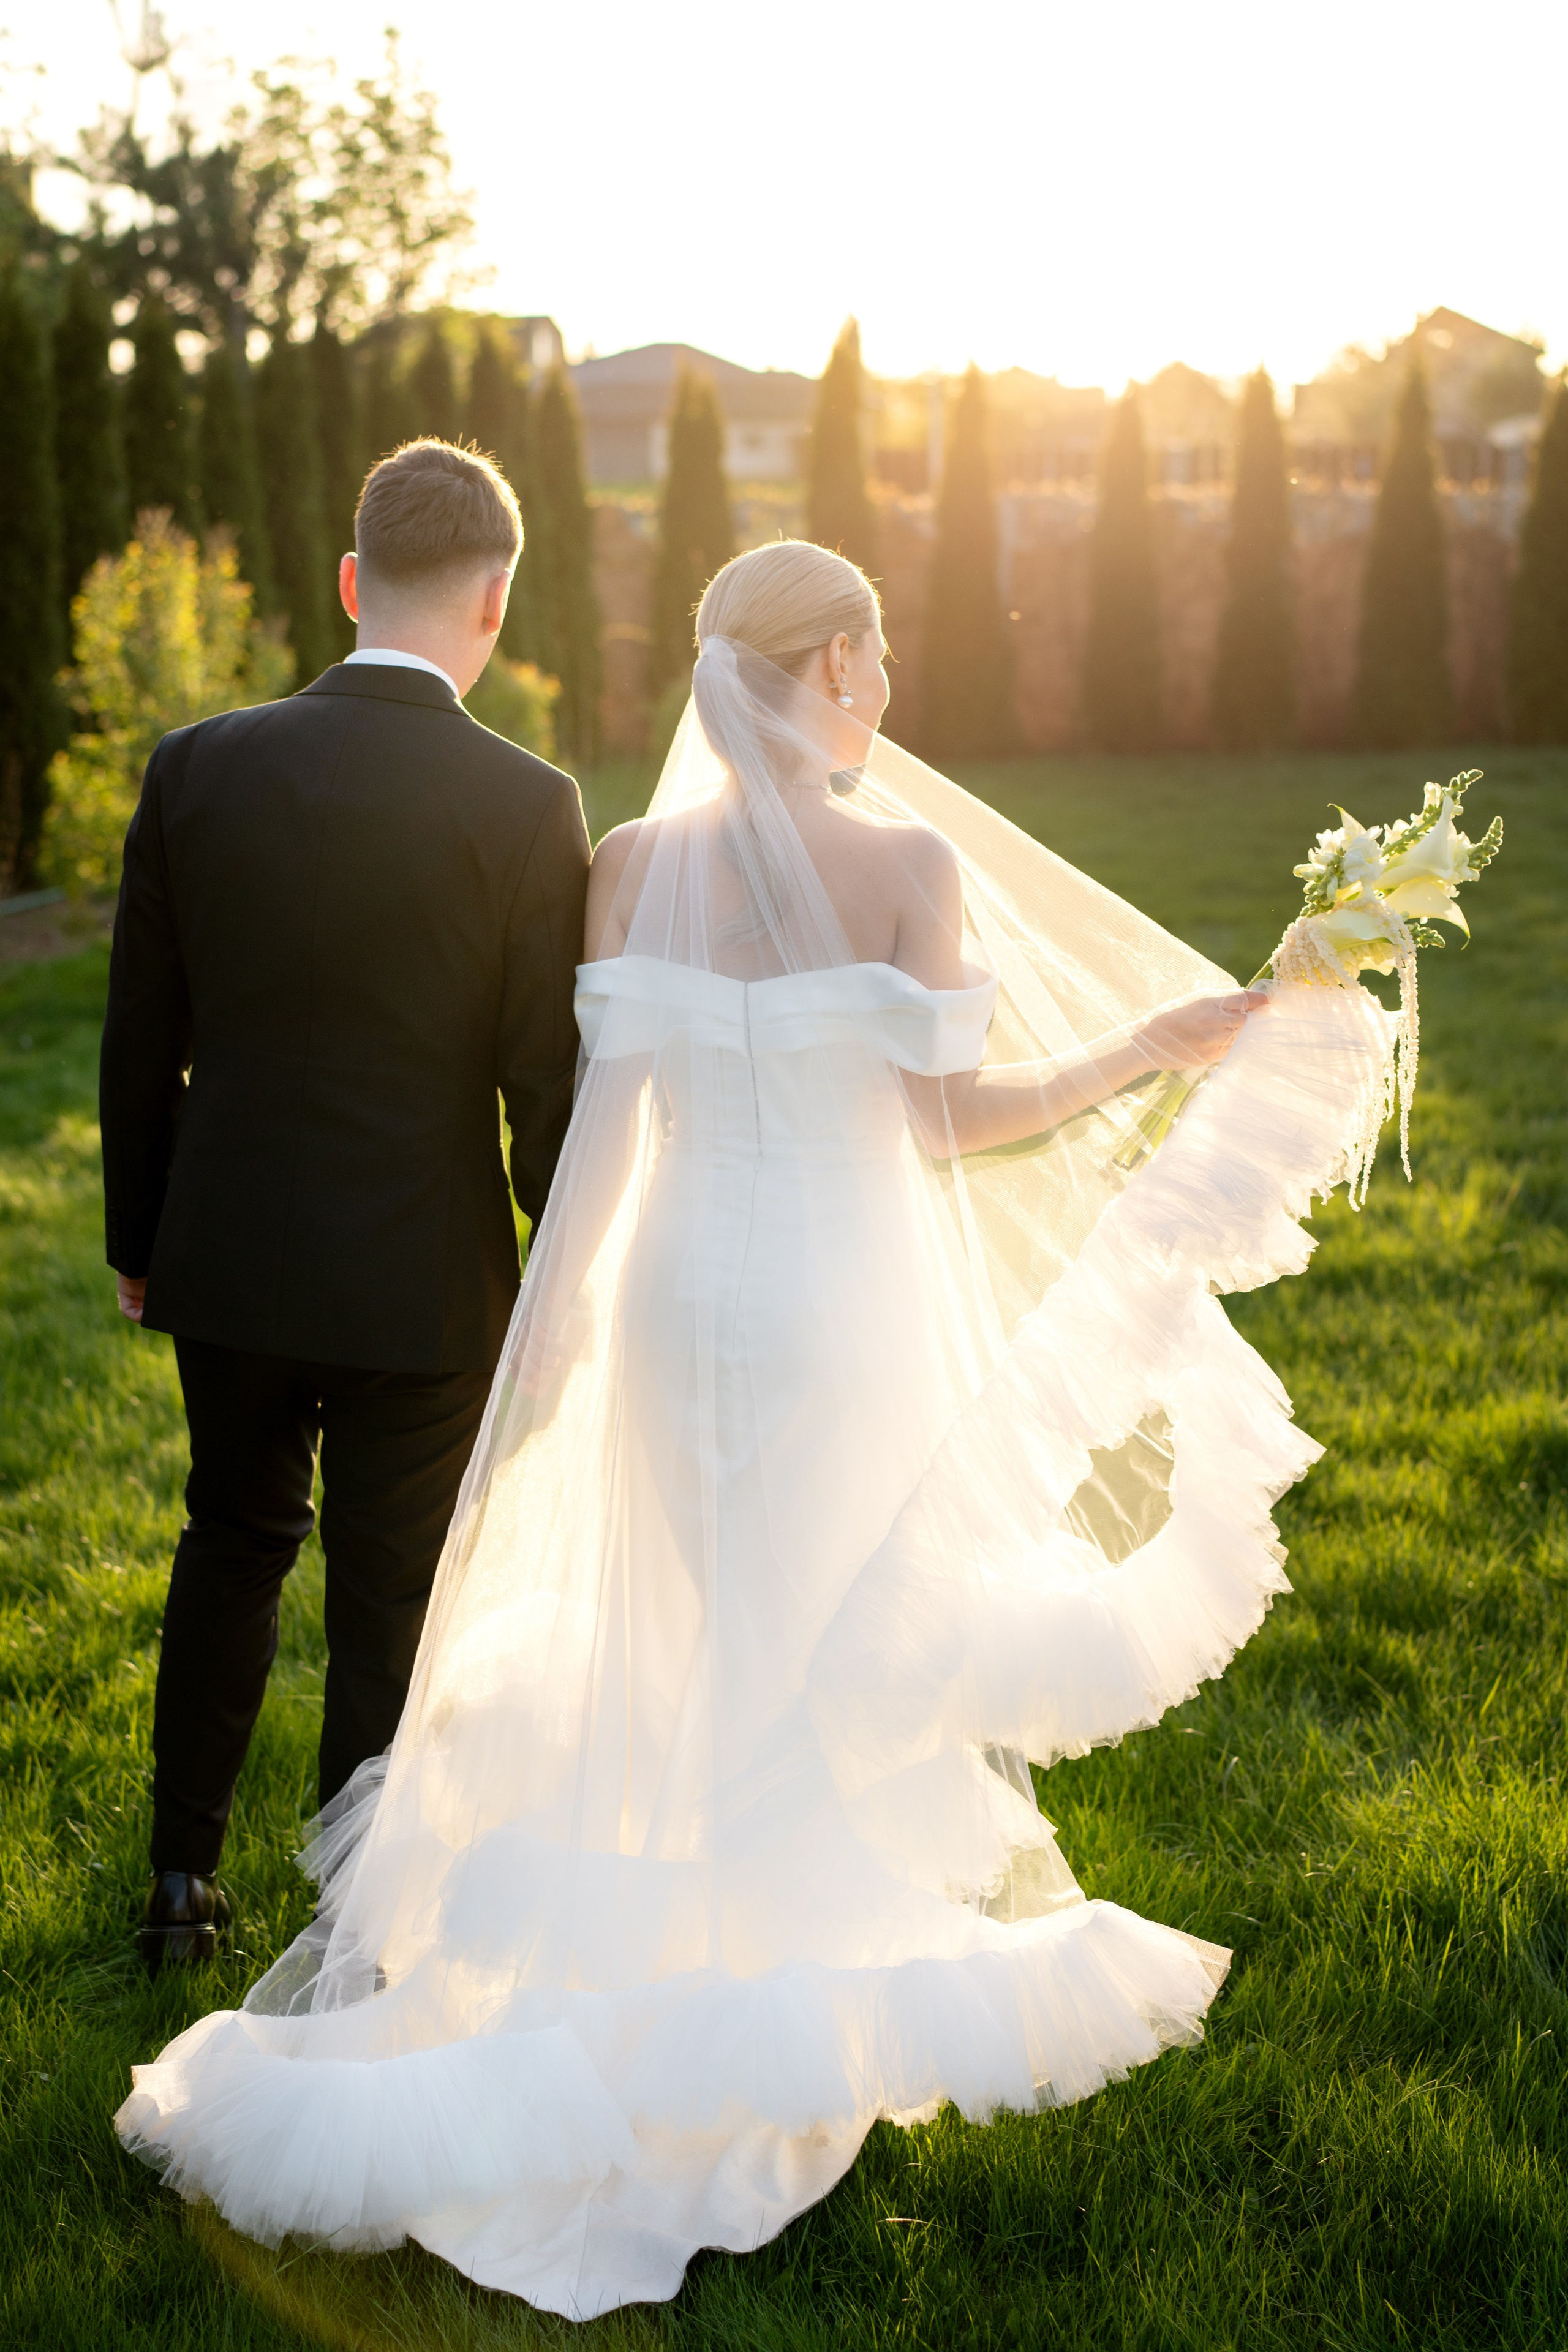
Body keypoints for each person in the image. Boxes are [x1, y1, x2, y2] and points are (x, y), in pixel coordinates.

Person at [116, 543, 1389, 2316]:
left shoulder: (633, 864)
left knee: (682, 1641)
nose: (890, 685)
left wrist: (552, 1337)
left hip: (667, 1300)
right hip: (826, 1309)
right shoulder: (909, 867)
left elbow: (605, 1139)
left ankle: (660, 1993)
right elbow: (946, 1120)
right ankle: (761, 2027)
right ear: (836, 667)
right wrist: (1145, 1049)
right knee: (809, 1660)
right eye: (880, 653)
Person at [100, 439, 590, 1973]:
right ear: (494, 602)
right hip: (424, 1275)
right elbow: (541, 1078)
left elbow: (139, 1036)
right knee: (390, 1592)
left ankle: (179, 1884)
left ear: (349, 580)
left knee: (231, 1538)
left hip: (229, 1250)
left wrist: (138, 1240)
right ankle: (351, 1923)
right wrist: (560, 1258)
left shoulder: (196, 766)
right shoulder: (530, 805)